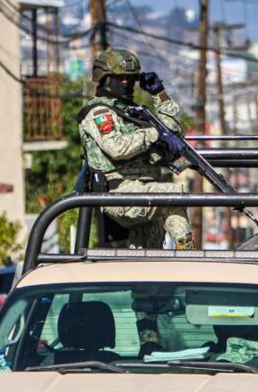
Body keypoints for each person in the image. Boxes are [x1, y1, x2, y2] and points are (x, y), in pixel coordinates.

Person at [78, 47, 193, 249]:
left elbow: (171, 128)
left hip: (146, 195)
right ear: (106, 79)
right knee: (173, 195)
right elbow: (117, 147)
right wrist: (155, 134)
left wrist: (160, 94)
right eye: (122, 79)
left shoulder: (133, 112)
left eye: (131, 80)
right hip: (120, 193)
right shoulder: (99, 112)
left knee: (147, 256)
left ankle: (178, 263)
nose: (128, 84)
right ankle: (190, 254)